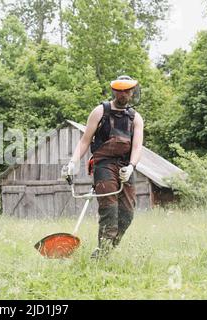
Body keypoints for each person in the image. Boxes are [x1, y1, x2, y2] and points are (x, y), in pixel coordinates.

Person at [63, 75, 144, 259]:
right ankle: (102, 258)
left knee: (127, 214)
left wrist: (131, 166)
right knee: (109, 210)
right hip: (104, 164)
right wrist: (72, 162)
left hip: (126, 166)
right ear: (114, 91)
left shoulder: (135, 118)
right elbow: (85, 141)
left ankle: (104, 252)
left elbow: (137, 146)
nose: (123, 94)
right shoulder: (100, 112)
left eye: (127, 90)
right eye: (120, 90)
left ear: (132, 92)